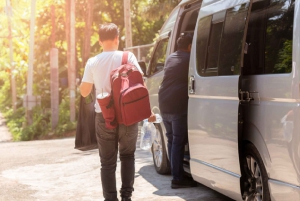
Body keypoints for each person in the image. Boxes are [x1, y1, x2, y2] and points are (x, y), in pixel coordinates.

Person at [80, 23, 154, 201]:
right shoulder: (128, 57)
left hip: (104, 117)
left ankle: (110, 199)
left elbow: (84, 92)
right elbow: (140, 86)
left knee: (107, 163)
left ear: (99, 41)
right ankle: (126, 197)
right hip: (129, 116)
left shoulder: (93, 62)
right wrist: (148, 112)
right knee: (127, 156)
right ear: (117, 38)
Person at [158, 33, 197, 189]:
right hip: (176, 104)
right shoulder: (189, 59)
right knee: (178, 141)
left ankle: (177, 174)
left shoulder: (171, 58)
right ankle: (177, 178)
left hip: (164, 102)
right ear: (189, 47)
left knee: (171, 140)